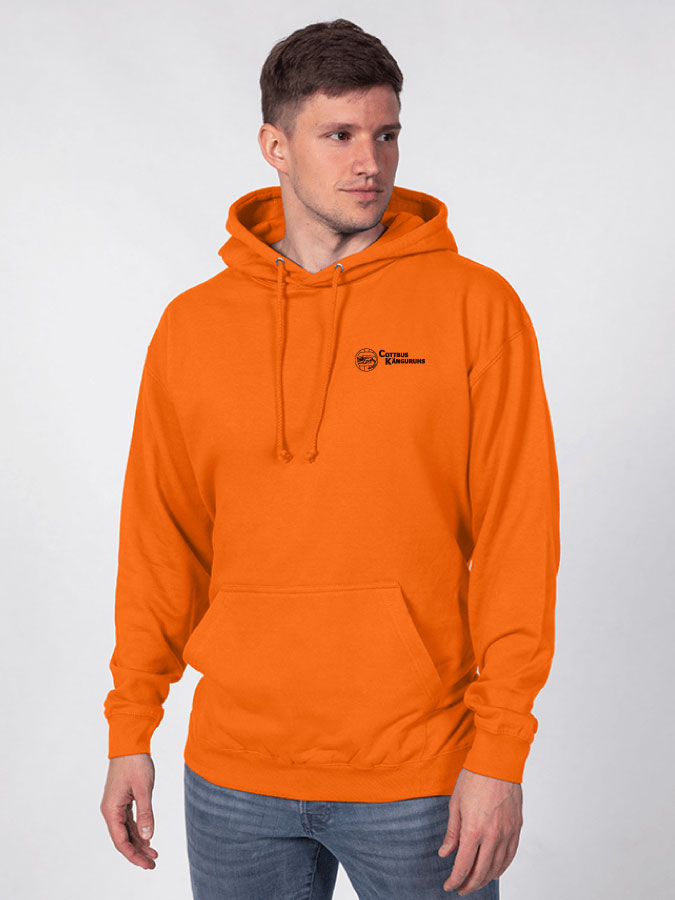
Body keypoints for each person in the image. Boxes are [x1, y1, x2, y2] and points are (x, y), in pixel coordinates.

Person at [99, 18, 560, 899]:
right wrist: (131, 727)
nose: (369, 162)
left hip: (420, 774)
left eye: (386, 134)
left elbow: (518, 538)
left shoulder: (475, 307)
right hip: (233, 774)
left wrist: (499, 751)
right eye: (339, 135)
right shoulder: (193, 327)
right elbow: (160, 540)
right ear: (275, 146)